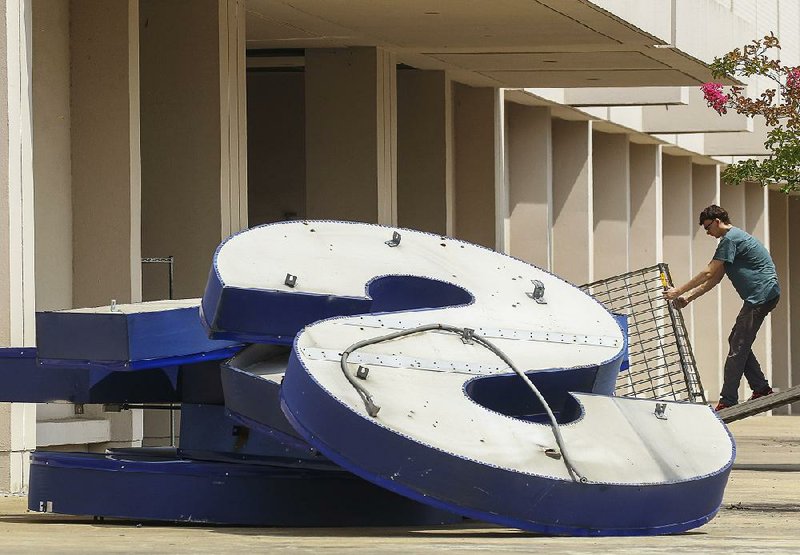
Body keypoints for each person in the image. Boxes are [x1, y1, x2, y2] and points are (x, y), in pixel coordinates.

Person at [663, 204, 780, 411]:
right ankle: (760, 388)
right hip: (762, 295)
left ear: (717, 221)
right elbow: (715, 278)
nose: (708, 233)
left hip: (761, 295)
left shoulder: (730, 240)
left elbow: (708, 272)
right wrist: (688, 298)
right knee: (737, 342)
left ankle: (728, 400)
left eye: (708, 227)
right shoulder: (733, 241)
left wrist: (677, 291)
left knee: (737, 347)